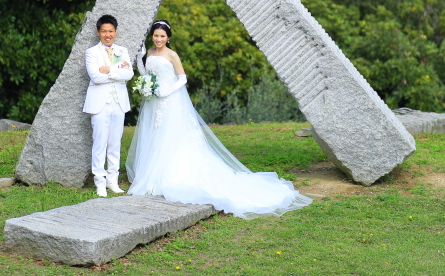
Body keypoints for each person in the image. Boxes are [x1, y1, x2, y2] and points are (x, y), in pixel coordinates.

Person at [126, 20, 312, 218]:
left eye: (162, 36)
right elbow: (146, 74)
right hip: (154, 101)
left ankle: (170, 176)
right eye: (156, 35)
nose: (159, 39)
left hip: (169, 101)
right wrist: (142, 67)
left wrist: (166, 91)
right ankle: (153, 176)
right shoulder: (150, 54)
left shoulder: (172, 55)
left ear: (168, 37)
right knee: (155, 134)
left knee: (171, 136)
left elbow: (182, 78)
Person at [83, 14, 133, 197]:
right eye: (104, 31)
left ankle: (113, 181)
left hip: (119, 103)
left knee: (115, 143)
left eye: (111, 31)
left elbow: (128, 74)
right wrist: (118, 71)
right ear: (98, 32)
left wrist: (108, 70)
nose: (107, 34)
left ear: (116, 32)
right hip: (99, 104)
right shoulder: (91, 52)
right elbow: (95, 76)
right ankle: (100, 183)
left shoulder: (122, 51)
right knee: (100, 143)